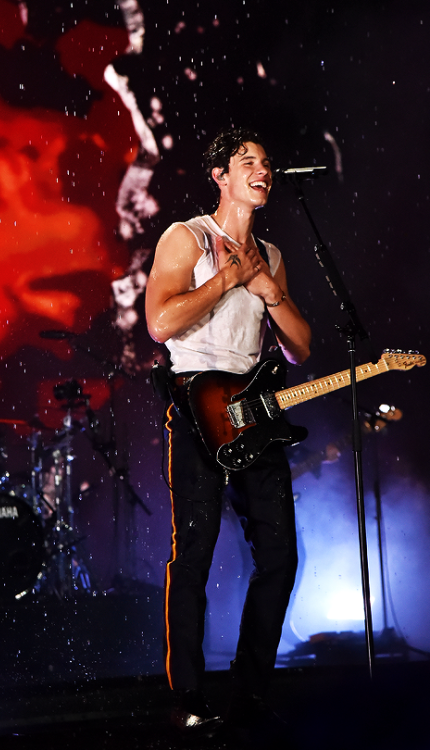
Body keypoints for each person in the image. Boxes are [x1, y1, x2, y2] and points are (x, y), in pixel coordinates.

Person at [145, 127, 311, 736]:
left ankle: (250, 688)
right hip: (196, 410)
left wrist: (269, 290)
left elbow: (300, 348)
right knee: (194, 556)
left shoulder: (271, 253)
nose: (262, 169)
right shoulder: (187, 237)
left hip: (255, 413)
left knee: (281, 557)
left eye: (266, 162)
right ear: (220, 176)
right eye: (248, 162)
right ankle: (187, 696)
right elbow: (160, 323)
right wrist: (224, 282)